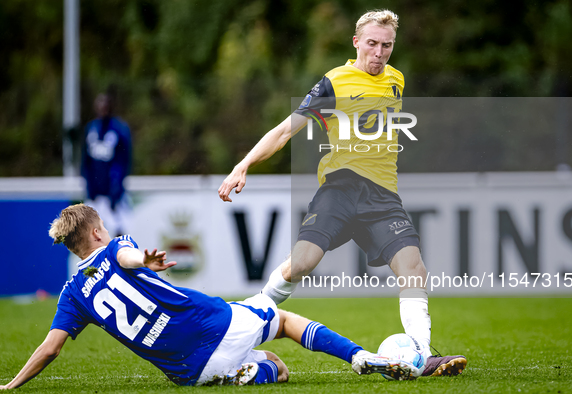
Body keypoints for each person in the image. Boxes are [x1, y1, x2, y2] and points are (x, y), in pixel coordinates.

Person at [218, 9, 467, 377]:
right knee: (300, 264)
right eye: (372, 44)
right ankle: (240, 326)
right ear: (356, 42)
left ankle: (423, 354)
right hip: (340, 189)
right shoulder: (335, 82)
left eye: (387, 45)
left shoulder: (396, 79)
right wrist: (243, 165)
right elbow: (286, 130)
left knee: (414, 269)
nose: (379, 53)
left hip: (383, 197)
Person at [0, 204, 419, 390]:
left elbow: (50, 349)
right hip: (214, 325)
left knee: (279, 368)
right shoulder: (116, 246)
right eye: (103, 229)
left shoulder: (73, 294)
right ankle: (363, 358)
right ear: (95, 234)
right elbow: (125, 257)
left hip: (187, 372)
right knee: (284, 320)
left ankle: (244, 371)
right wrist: (141, 257)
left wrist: (12, 384)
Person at [81, 92, 132, 236]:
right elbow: (86, 161)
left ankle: (118, 257)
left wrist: (117, 186)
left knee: (118, 229)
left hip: (114, 193)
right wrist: (89, 186)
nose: (103, 109)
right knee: (90, 232)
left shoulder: (120, 130)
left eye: (106, 105)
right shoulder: (91, 129)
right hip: (95, 193)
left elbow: (124, 161)